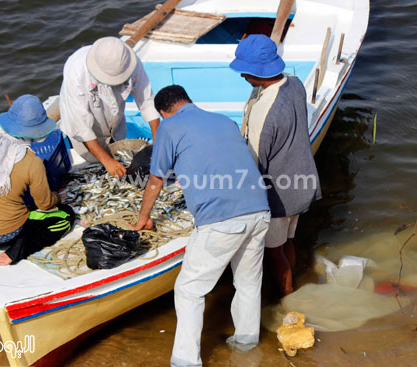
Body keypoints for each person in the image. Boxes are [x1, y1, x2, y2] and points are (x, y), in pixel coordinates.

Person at [129, 85, 270, 367]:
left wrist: (144, 218)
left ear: (164, 112)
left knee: (189, 290)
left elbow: (157, 179)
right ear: (189, 101)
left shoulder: (169, 127)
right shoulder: (223, 121)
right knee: (248, 283)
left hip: (222, 221)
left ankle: (185, 361)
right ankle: (246, 344)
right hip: (260, 210)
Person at [230, 34, 321, 295]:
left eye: (245, 72)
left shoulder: (263, 115)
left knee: (273, 252)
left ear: (255, 72)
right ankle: (293, 282)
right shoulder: (294, 83)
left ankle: (286, 298)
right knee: (287, 242)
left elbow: (254, 165)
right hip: (301, 181)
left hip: (279, 194)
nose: (243, 77)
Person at [0, 95, 75, 267]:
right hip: (10, 232)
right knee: (65, 216)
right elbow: (45, 205)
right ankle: (15, 252)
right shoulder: (31, 162)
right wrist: (58, 197)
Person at [59, 36, 160, 177]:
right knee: (96, 167)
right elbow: (81, 129)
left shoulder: (130, 62)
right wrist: (107, 161)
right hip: (85, 137)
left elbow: (147, 102)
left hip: (115, 126)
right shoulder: (76, 75)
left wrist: (157, 145)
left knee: (119, 163)